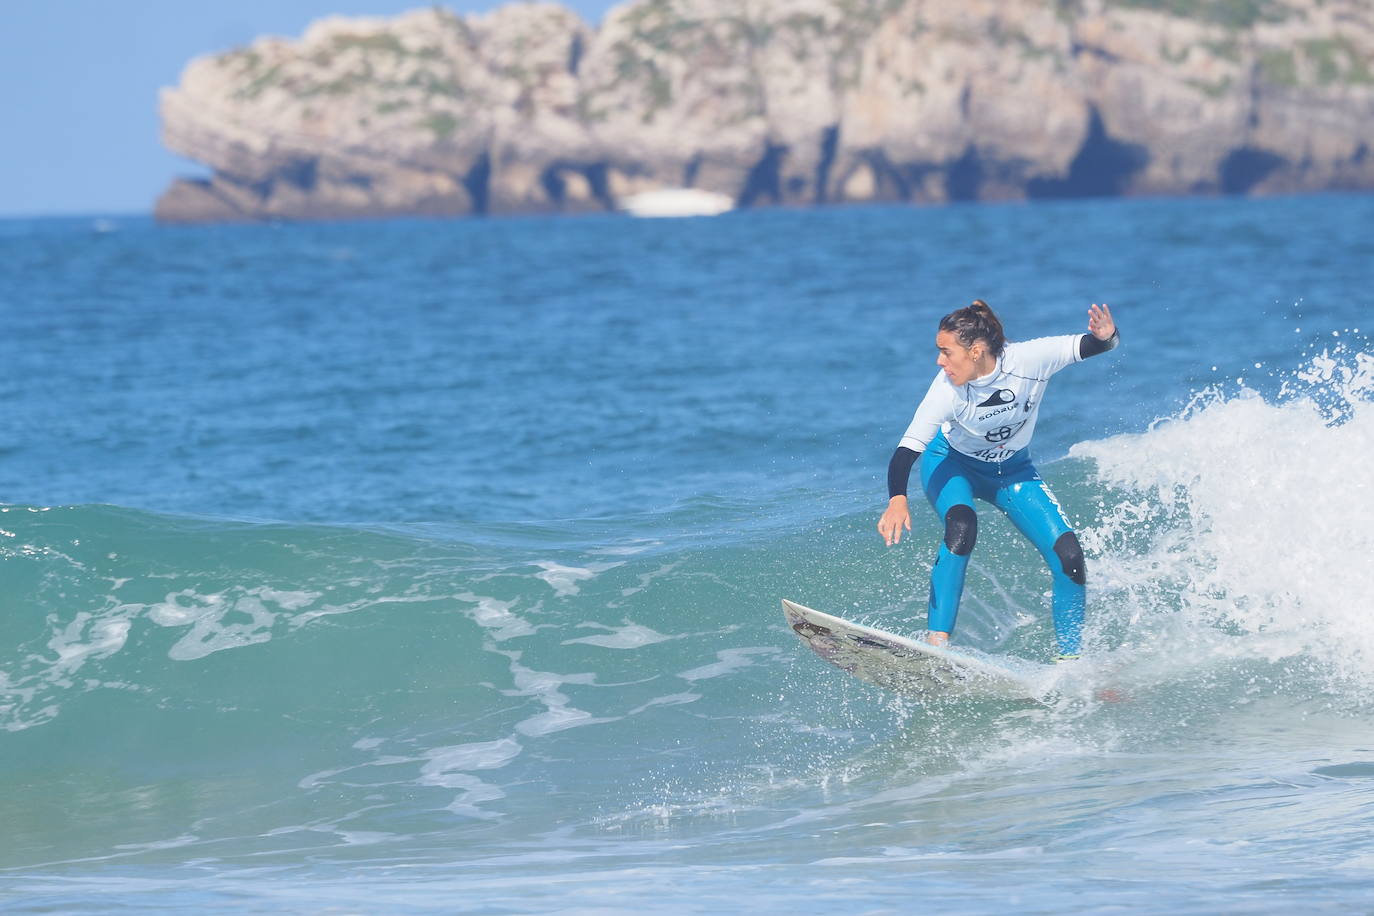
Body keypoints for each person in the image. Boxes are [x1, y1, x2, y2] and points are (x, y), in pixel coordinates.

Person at [877, 299, 1119, 661]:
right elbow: (907, 451)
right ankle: (937, 648)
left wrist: (1107, 335)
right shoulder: (946, 389)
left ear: (975, 351)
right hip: (952, 464)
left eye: (946, 352)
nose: (939, 361)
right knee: (962, 526)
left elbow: (1097, 345)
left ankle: (1072, 661)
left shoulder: (1029, 360)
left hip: (1014, 472)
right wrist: (897, 498)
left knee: (1069, 556)